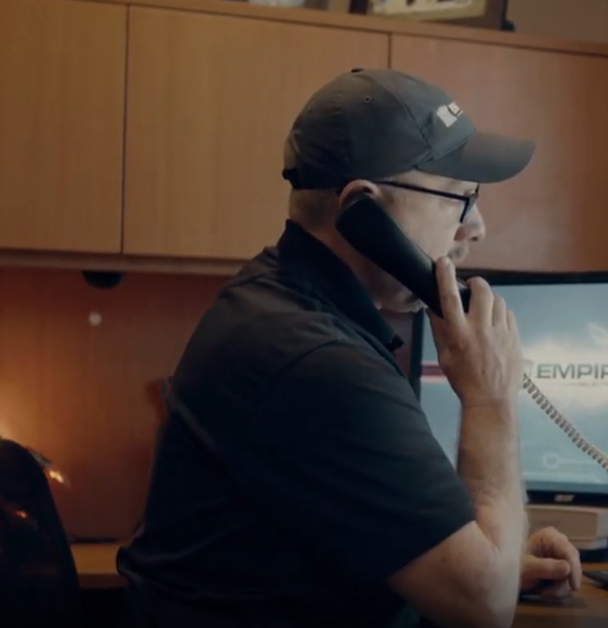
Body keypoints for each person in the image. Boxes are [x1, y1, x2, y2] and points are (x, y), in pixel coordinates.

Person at [116, 68, 582, 628]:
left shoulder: (281, 301)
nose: (475, 228)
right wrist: (490, 399)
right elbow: (481, 607)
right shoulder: (316, 359)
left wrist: (482, 555)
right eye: (459, 199)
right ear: (364, 209)